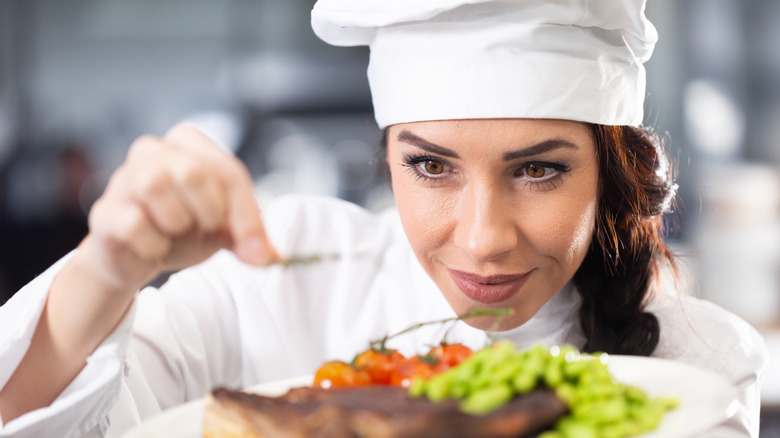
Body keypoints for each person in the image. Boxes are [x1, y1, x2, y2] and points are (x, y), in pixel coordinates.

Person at [0, 0, 768, 437]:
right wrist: (107, 271)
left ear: (611, 171)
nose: (481, 239)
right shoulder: (281, 275)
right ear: (386, 156)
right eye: (431, 166)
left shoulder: (695, 362)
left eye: (538, 170)